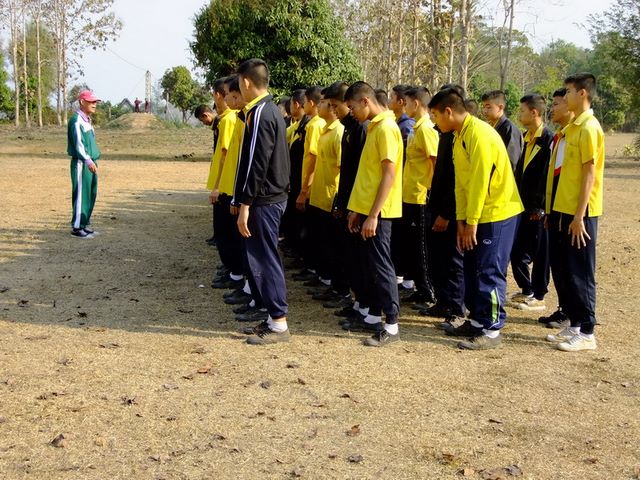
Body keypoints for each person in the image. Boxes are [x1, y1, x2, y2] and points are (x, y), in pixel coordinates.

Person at [429, 88, 523, 350]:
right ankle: (477, 320)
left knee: (489, 270)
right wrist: (461, 220)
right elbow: (461, 183)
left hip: (497, 213)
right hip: (475, 214)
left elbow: (481, 182)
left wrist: (471, 221)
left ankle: (492, 330)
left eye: (435, 115)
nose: (434, 121)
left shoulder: (480, 134)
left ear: (449, 111)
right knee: (472, 267)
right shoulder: (459, 136)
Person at [544, 73, 605, 352]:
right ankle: (575, 323)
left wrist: (580, 216)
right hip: (561, 208)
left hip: (579, 212)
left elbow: (589, 174)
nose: (565, 96)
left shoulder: (589, 127)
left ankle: (587, 331)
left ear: (582, 93)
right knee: (563, 269)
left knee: (580, 271)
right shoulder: (570, 129)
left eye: (568, 92)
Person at [232, 58, 291, 345]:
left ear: (245, 82)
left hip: (264, 199)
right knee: (265, 257)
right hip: (270, 197)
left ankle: (279, 323)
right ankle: (272, 318)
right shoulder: (270, 110)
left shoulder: (260, 113)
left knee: (266, 259)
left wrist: (245, 204)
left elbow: (257, 163)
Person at [343, 81, 403, 347]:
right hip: (368, 210)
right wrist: (358, 209)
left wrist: (374, 214)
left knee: (381, 266)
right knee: (369, 266)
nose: (352, 112)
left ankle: (392, 324)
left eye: (353, 107)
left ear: (365, 101)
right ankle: (372, 316)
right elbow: (368, 175)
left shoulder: (387, 128)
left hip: (380, 212)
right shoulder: (374, 127)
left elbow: (389, 174)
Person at [422, 84, 466, 323]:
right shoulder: (445, 135)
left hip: (449, 211)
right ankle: (443, 302)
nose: (434, 120)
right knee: (437, 259)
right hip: (436, 205)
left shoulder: (459, 137)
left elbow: (456, 180)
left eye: (437, 114)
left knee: (452, 262)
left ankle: (456, 308)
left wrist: (446, 213)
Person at [508, 94, 553, 311]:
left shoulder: (549, 140)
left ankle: (539, 295)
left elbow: (547, 176)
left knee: (540, 254)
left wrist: (541, 206)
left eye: (522, 111)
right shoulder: (525, 137)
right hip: (521, 206)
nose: (519, 114)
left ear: (534, 112)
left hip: (538, 209)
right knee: (516, 252)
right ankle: (527, 289)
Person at [537, 88, 574, 329]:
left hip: (569, 211)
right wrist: (547, 209)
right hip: (554, 209)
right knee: (558, 264)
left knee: (571, 266)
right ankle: (564, 309)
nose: (553, 108)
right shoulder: (559, 137)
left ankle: (574, 316)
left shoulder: (577, 136)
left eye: (558, 103)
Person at [307, 86, 347, 304]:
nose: (320, 105)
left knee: (336, 247)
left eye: (324, 103)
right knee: (324, 243)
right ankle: (329, 282)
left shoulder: (339, 132)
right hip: (320, 196)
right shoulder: (325, 130)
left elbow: (342, 169)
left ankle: (340, 289)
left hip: (332, 198)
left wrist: (338, 200)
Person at [398, 86, 438, 306]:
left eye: (407, 102)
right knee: (412, 247)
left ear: (416, 103)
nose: (404, 106)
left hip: (421, 196)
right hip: (410, 195)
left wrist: (432, 191)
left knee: (421, 248)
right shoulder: (416, 128)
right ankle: (420, 288)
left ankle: (428, 292)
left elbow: (434, 161)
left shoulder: (426, 129)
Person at [208, 77, 239, 288]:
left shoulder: (229, 120)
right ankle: (231, 269)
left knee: (225, 232)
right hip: (225, 185)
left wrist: (218, 186)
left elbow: (225, 154)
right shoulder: (227, 119)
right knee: (224, 232)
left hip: (226, 186)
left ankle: (234, 272)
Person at [67, 90, 101, 238]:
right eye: (91, 101)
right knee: (81, 194)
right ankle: (77, 227)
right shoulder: (76, 121)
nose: (94, 104)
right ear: (82, 102)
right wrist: (87, 160)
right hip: (82, 163)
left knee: (90, 193)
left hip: (91, 162)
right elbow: (78, 144)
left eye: (95, 102)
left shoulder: (87, 120)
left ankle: (84, 223)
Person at [481, 90, 523, 171]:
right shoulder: (489, 127)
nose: (485, 111)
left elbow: (511, 163)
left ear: (500, 107)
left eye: (488, 107)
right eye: (484, 107)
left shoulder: (509, 129)